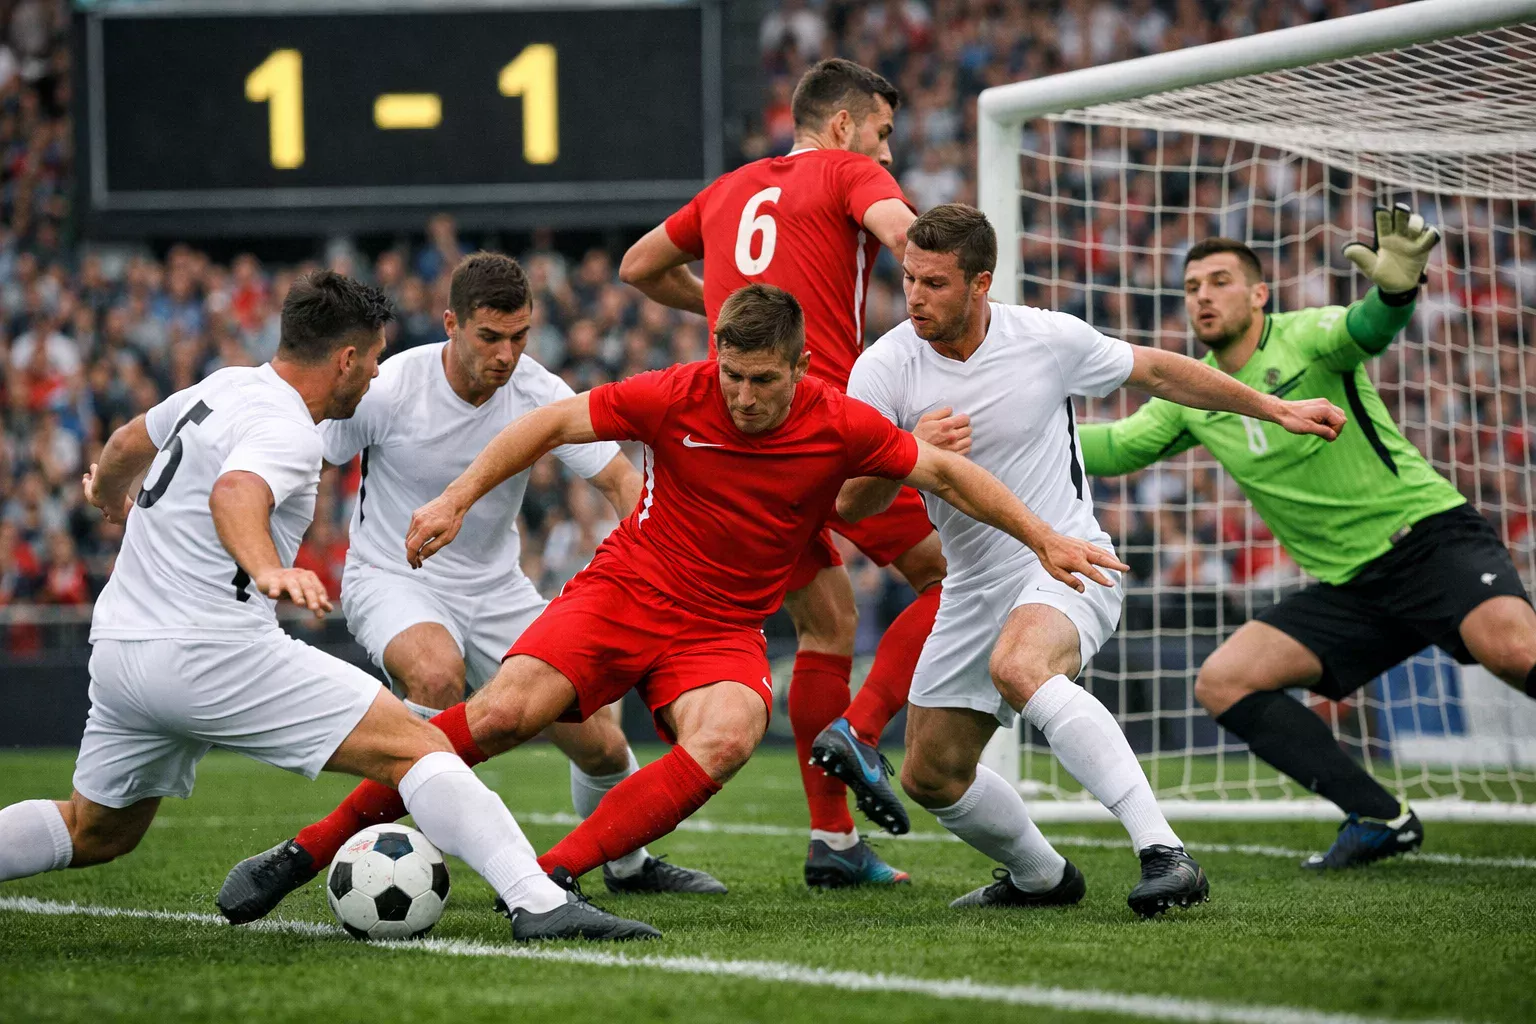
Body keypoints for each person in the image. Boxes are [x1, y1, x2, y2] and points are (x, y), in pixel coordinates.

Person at [214, 283, 1127, 922]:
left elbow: (944, 473)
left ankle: (553, 878)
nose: (743, 397)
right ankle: (303, 851)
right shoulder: (678, 393)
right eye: (732, 375)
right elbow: (552, 424)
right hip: (626, 590)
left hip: (722, 627)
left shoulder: (839, 420)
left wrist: (1044, 538)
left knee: (729, 733)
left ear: (801, 368)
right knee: (495, 714)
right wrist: (454, 499)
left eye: (763, 381)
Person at [0, 270, 656, 942]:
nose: (376, 375)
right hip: (213, 650)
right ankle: (538, 902)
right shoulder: (288, 429)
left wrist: (109, 491)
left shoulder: (220, 386)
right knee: (420, 746)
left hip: (120, 652)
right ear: (346, 358)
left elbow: (124, 444)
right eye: (372, 359)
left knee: (96, 829)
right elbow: (235, 493)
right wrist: (267, 568)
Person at [840, 205, 1346, 915]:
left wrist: (1273, 407)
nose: (914, 297)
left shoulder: (1046, 338)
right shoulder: (884, 367)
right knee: (931, 774)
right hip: (971, 586)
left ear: (981, 284)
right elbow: (850, 505)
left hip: (1066, 562)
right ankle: (1042, 878)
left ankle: (1165, 852)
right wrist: (905, 454)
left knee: (1019, 668)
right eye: (908, 279)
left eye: (934, 283)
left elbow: (1162, 373)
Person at [215, 255, 723, 927]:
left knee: (600, 742)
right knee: (434, 674)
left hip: (499, 590)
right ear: (452, 324)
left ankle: (631, 867)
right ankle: (411, 848)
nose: (507, 354)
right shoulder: (392, 385)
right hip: (393, 576)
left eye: (520, 336)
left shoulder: (541, 391)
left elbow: (623, 484)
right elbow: (298, 444)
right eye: (490, 337)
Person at [1078, 210, 1536, 869]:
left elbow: (1366, 327)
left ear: (1259, 293)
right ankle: (1378, 817)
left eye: (1219, 281)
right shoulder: (1193, 394)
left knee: (1515, 652)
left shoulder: (1307, 336)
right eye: (1191, 286)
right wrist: (1019, 428)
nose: (1202, 295)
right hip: (1353, 588)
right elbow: (1118, 446)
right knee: (1224, 682)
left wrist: (1397, 292)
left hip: (1430, 542)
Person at [621, 57, 942, 886]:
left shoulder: (727, 190)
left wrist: (726, 306)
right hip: (824, 431)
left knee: (829, 625)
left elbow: (637, 267)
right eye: (882, 133)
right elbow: (907, 236)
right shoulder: (848, 170)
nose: (887, 152)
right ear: (843, 126)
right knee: (950, 579)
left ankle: (832, 845)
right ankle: (864, 732)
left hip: (742, 450)